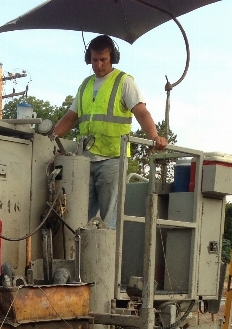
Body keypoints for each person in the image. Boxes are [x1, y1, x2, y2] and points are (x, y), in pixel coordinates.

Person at [52, 35, 168, 229]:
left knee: (109, 219)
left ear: (113, 57)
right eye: (94, 60)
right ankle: (82, 258)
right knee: (80, 217)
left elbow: (141, 112)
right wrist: (49, 139)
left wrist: (154, 137)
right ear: (89, 59)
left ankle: (106, 260)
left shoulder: (124, 82)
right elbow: (70, 118)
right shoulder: (85, 85)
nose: (98, 65)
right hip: (85, 159)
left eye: (103, 60)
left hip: (112, 159)